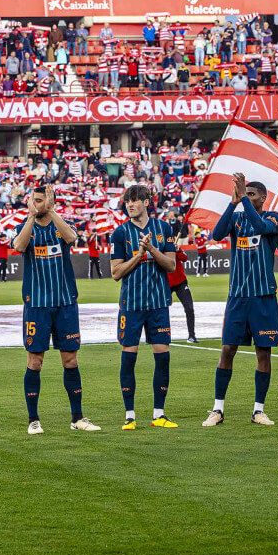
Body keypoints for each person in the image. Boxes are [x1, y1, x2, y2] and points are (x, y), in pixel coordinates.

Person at [12, 185, 100, 434]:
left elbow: (72, 238)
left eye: (40, 201)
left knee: (70, 360)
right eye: (34, 200)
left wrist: (53, 211)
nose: (36, 204)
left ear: (49, 202)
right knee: (35, 361)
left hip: (65, 302)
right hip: (37, 304)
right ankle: (33, 419)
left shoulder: (60, 225)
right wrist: (31, 216)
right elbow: (19, 246)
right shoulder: (25, 226)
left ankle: (77, 417)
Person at [204, 174, 278, 427]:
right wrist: (232, 202)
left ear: (263, 198)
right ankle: (217, 409)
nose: (247, 197)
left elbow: (259, 227)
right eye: (245, 193)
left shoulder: (272, 218)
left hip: (263, 297)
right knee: (227, 350)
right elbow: (216, 234)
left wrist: (242, 201)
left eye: (251, 195)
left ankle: (259, 410)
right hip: (238, 296)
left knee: (263, 353)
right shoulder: (236, 219)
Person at [109, 184, 179, 431]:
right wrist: (139, 255)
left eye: (136, 200)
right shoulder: (120, 233)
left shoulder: (164, 229)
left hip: (158, 303)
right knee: (129, 358)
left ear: (147, 202)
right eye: (128, 201)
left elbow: (171, 265)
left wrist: (151, 249)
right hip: (132, 305)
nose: (130, 204)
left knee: (162, 357)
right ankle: (129, 415)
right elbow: (116, 273)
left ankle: (159, 413)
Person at [167, 232, 197, 343]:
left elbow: (184, 258)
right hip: (167, 284)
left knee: (189, 308)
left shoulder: (176, 248)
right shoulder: (160, 249)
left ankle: (192, 335)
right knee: (161, 310)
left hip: (181, 282)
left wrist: (177, 250)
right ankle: (159, 335)